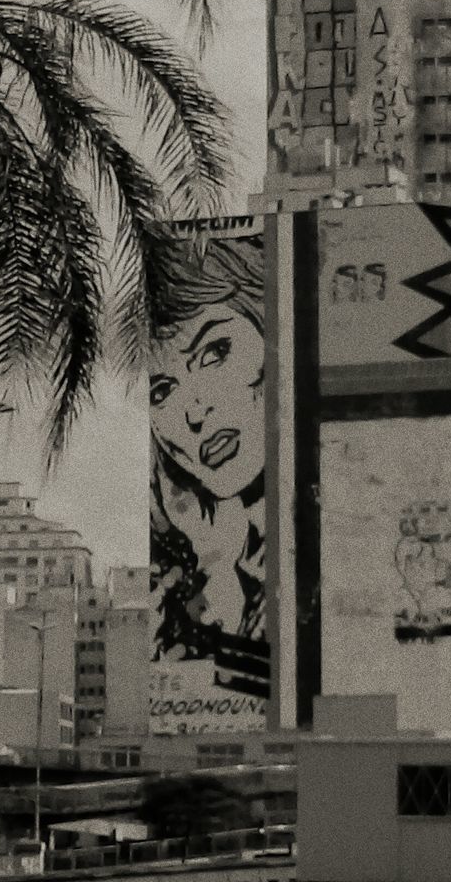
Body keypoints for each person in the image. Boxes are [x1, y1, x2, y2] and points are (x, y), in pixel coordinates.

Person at [148, 235, 267, 694]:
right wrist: (215, 563)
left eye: (214, 353)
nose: (194, 414)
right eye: (162, 391)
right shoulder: (200, 555)